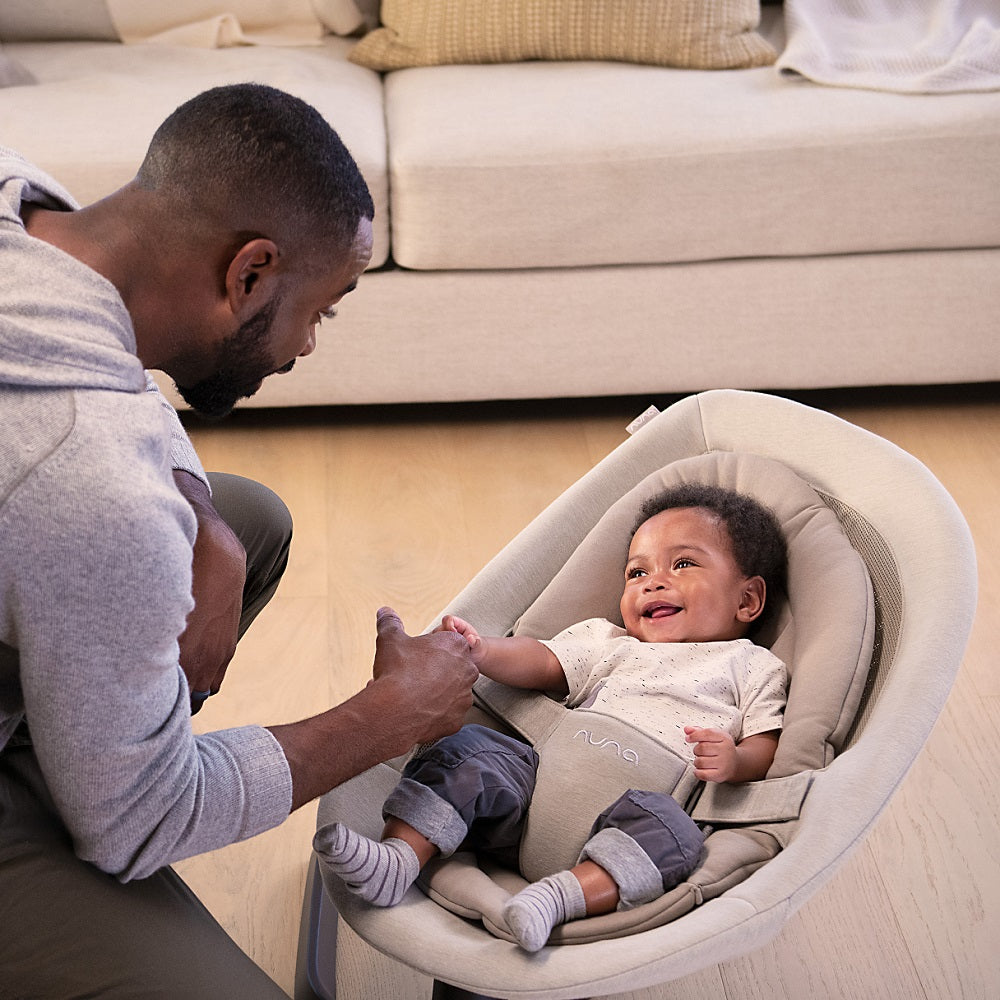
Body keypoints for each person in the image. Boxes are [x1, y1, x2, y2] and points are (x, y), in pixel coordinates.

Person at [0, 84, 478, 996]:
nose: (305, 346)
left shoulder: (26, 203)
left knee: (242, 517)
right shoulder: (90, 490)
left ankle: (71, 753)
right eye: (321, 309)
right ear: (249, 272)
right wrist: (390, 717)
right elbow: (137, 823)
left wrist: (203, 524)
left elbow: (109, 387)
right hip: (114, 781)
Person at [315, 484, 788, 952]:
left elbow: (766, 745)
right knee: (471, 749)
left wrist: (734, 761)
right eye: (636, 571)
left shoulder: (751, 665)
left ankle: (556, 901)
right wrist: (481, 650)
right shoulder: (610, 643)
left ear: (747, 600)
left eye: (682, 564)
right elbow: (540, 661)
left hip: (636, 816)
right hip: (533, 798)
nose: (653, 581)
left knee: (677, 836)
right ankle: (400, 859)